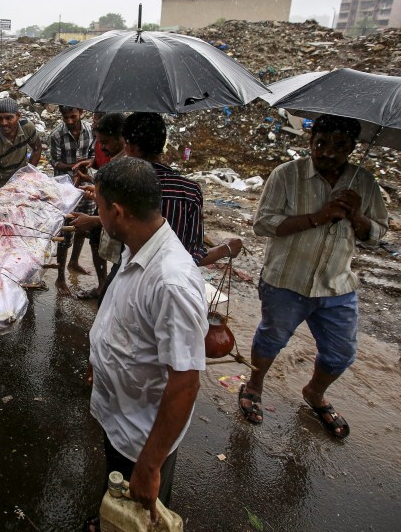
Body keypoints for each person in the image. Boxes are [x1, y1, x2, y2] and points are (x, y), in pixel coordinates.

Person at [238, 114, 388, 439]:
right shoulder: (286, 175)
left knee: (341, 353)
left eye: (340, 146)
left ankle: (315, 393)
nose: (329, 153)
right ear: (311, 142)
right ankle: (254, 385)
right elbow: (263, 224)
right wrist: (318, 217)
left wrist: (358, 216)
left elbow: (376, 234)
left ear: (352, 147)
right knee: (271, 338)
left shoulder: (364, 183)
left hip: (336, 285)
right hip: (285, 280)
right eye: (322, 143)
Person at [88, 158, 207, 524]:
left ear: (118, 212)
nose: (97, 213)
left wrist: (151, 465)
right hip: (121, 417)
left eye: (99, 205)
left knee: (141, 510)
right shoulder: (137, 245)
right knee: (119, 498)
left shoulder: (171, 282)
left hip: (142, 438)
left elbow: (185, 382)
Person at [121, 112, 242, 266]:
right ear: (163, 142)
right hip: (173, 280)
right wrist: (224, 250)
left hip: (131, 273)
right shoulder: (190, 190)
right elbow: (193, 255)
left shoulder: (124, 184)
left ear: (131, 147)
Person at [70, 113, 127, 299]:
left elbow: (125, 214)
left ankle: (107, 292)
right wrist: (97, 192)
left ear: (122, 138)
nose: (101, 147)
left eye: (105, 142)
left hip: (121, 233)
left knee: (121, 264)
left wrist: (93, 220)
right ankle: (103, 286)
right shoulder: (116, 158)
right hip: (106, 211)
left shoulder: (126, 165)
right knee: (96, 242)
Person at [50, 106, 96, 296]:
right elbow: (55, 162)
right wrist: (74, 168)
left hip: (87, 187)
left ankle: (74, 261)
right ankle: (60, 277)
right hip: (65, 189)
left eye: (73, 116)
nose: (69, 120)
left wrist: (84, 167)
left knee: (83, 226)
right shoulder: (56, 135)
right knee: (65, 231)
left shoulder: (90, 131)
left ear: (81, 113)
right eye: (65, 117)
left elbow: (94, 156)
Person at [0, 98, 41, 194]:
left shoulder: (27, 127)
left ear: (18, 116)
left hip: (21, 182)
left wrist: (28, 174)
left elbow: (37, 149)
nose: (4, 123)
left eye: (9, 118)